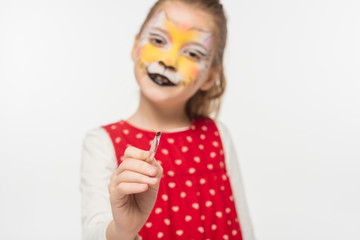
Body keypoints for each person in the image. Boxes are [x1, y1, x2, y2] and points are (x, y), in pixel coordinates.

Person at [80, 0, 255, 239]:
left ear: (210, 76)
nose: (168, 61)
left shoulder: (218, 136)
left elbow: (242, 226)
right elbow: (93, 232)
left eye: (192, 53)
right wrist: (123, 229)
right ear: (135, 46)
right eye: (158, 41)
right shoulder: (101, 143)